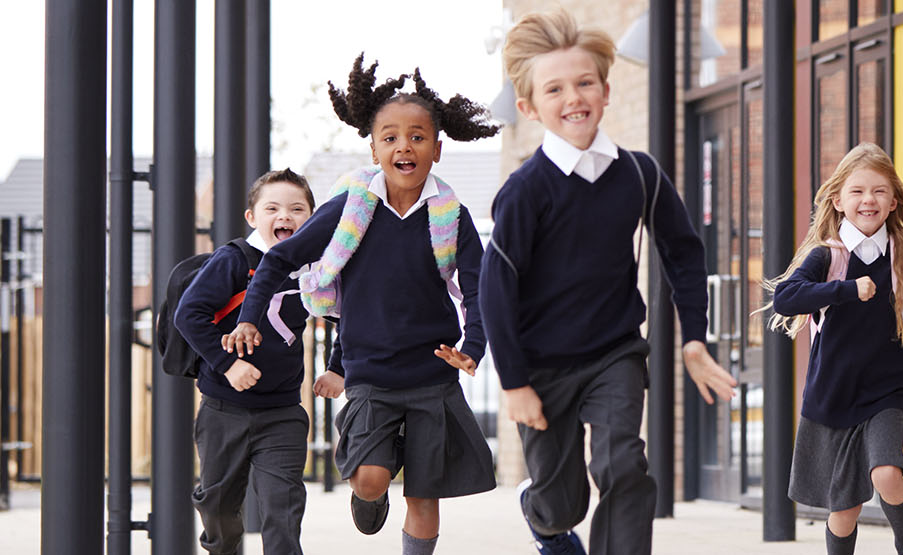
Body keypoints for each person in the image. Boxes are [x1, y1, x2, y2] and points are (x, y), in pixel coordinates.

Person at [486, 9, 737, 555]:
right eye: (554, 88)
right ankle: (542, 514)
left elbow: (684, 251)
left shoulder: (640, 173)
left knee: (623, 463)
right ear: (529, 107)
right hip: (540, 364)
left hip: (614, 353)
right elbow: (496, 286)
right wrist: (513, 383)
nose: (572, 96)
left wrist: (694, 338)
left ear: (604, 90)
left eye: (584, 83)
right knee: (562, 503)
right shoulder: (525, 190)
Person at [225, 56, 497, 555]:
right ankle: (373, 488)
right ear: (373, 148)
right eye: (390, 137)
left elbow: (482, 291)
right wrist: (247, 319)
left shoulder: (450, 217)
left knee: (423, 494)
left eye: (417, 137)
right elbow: (278, 259)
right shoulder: (350, 209)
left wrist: (473, 347)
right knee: (370, 480)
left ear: (437, 148)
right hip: (370, 372)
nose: (404, 146)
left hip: (432, 374)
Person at [766, 143, 903, 555]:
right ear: (838, 200)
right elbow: (787, 298)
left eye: (878, 191)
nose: (868, 200)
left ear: (893, 201)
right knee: (845, 512)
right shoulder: (829, 254)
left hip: (886, 390)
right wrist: (844, 290)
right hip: (833, 395)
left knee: (886, 474)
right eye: (857, 191)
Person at [176, 169, 320, 554]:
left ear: (311, 217)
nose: (284, 216)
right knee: (220, 514)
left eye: (296, 209)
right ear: (252, 217)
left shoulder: (313, 266)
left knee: (282, 513)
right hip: (224, 411)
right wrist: (228, 364)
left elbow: (347, 313)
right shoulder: (233, 261)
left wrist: (338, 367)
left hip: (283, 412)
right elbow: (188, 315)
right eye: (272, 208)